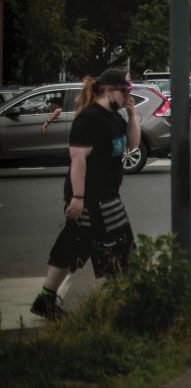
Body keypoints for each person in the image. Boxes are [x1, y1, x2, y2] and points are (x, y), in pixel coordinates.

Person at [31, 68, 140, 320]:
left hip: (107, 195)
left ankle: (45, 299)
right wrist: (77, 198)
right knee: (118, 245)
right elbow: (77, 159)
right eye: (124, 92)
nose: (127, 96)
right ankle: (125, 301)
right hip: (92, 198)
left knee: (73, 245)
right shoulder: (89, 118)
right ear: (108, 90)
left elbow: (133, 144)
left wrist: (132, 115)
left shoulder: (114, 117)